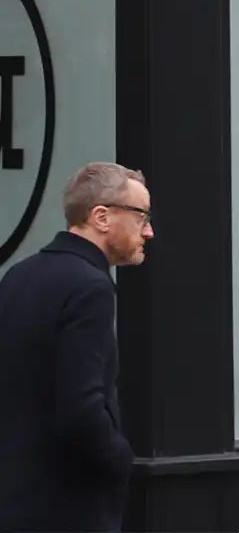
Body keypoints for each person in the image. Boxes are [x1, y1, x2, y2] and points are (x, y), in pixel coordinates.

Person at [0, 161, 152, 533]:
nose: (148, 231)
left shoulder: (19, 275)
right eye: (141, 216)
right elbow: (81, 407)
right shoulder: (90, 287)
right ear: (101, 217)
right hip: (70, 506)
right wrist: (119, 459)